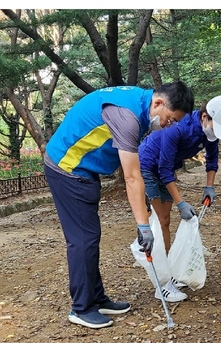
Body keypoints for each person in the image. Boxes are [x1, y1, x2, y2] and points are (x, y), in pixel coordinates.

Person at [43, 82, 194, 329]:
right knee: (83, 239)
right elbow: (131, 177)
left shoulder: (142, 103)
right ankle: (81, 308)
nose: (170, 124)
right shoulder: (128, 116)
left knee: (90, 236)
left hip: (85, 169)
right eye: (170, 118)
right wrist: (143, 227)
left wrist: (143, 209)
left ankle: (97, 298)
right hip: (66, 167)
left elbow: (135, 170)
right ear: (159, 104)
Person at [137, 95, 221, 300]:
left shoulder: (209, 134)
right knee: (159, 221)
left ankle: (168, 274)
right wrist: (180, 202)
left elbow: (212, 159)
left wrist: (210, 186)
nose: (215, 133)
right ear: (204, 117)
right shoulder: (178, 128)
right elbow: (164, 170)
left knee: (166, 222)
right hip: (147, 165)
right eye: (214, 126)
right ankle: (162, 284)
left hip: (166, 168)